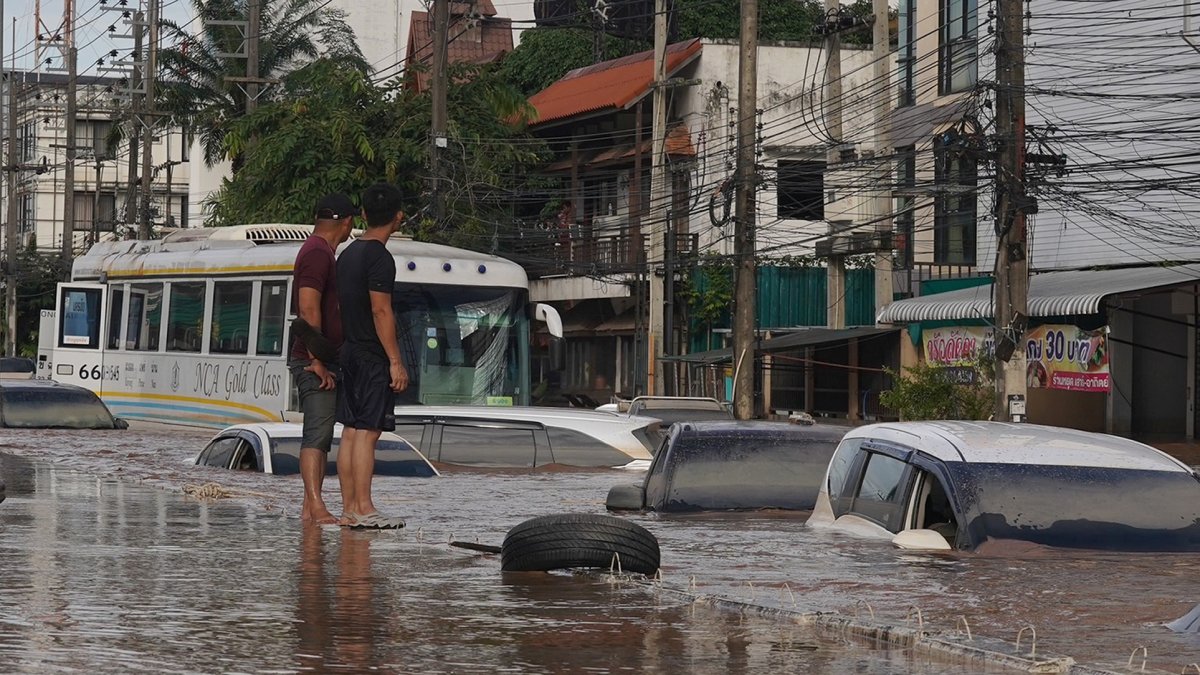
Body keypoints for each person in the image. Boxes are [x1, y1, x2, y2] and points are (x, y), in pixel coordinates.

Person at [334, 183, 408, 529]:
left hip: (348, 350)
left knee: (351, 429)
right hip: (370, 355)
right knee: (368, 431)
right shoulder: (380, 258)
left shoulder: (346, 254)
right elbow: (381, 311)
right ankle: (364, 507)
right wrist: (394, 360)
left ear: (363, 214)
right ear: (398, 217)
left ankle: (349, 508)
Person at [289, 194, 356, 525]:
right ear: (347, 223)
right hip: (313, 359)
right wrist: (316, 359)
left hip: (321, 356)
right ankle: (316, 505)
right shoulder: (317, 253)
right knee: (317, 433)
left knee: (323, 432)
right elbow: (308, 307)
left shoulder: (320, 252)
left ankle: (309, 510)